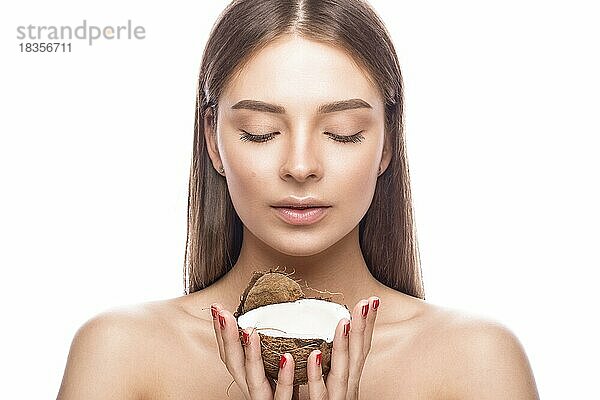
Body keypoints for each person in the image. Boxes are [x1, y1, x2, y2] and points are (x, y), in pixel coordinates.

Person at [57, 0, 540, 399]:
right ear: (212, 140)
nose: (301, 165)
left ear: (387, 143)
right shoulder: (121, 354)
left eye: (342, 133)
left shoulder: (476, 362)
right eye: (261, 132)